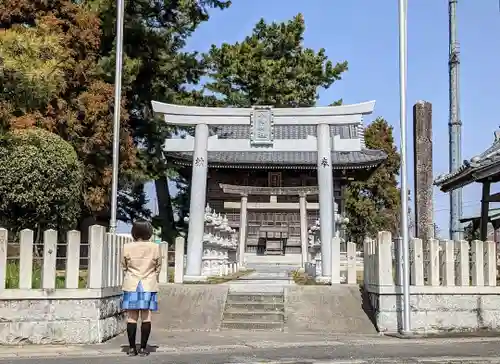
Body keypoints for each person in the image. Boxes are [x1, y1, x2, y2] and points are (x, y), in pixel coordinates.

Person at [121, 220, 162, 356]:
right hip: (148, 283)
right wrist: (151, 275)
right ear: (149, 232)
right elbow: (158, 266)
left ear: (134, 232)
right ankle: (144, 348)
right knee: (146, 316)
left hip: (132, 283)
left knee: (131, 317)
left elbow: (123, 265)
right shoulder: (155, 247)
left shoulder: (127, 247)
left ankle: (132, 348)